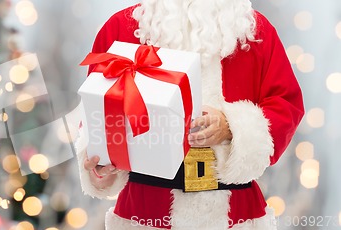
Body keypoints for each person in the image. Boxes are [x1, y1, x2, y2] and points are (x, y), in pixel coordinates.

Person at [75, 0, 305, 229]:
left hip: (235, 214)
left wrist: (231, 126)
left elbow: (286, 105)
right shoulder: (121, 27)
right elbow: (96, 114)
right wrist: (100, 162)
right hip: (144, 212)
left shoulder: (255, 30)